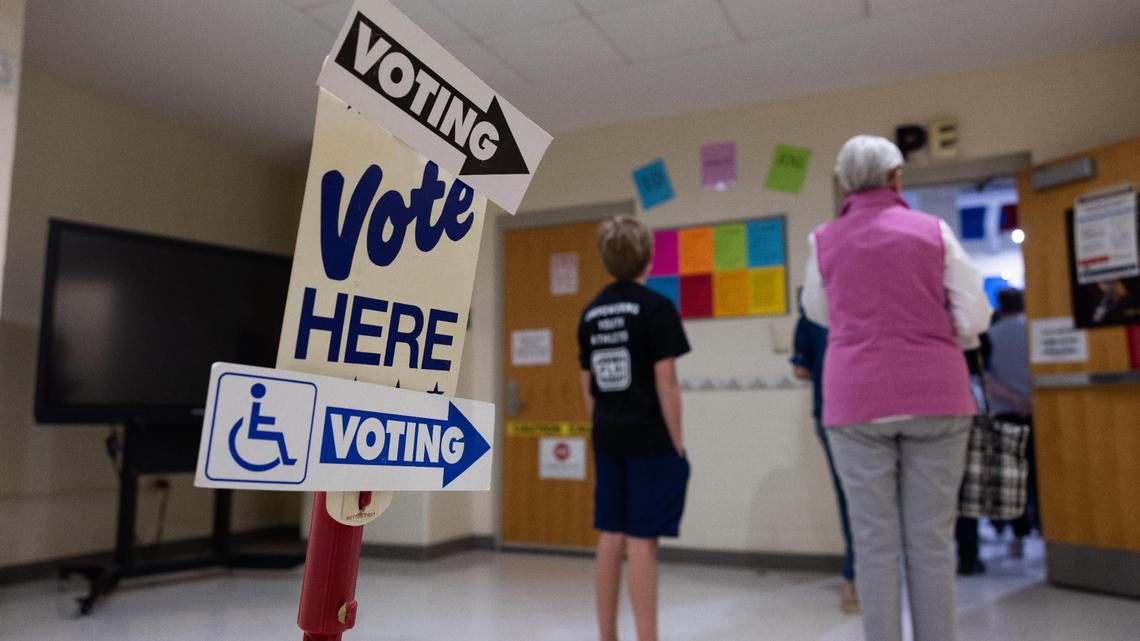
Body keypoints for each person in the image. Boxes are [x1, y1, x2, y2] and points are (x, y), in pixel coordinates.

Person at [801, 135, 991, 641]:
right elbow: (974, 312)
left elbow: (818, 312)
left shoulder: (822, 240)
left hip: (855, 403)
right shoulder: (933, 232)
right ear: (896, 177)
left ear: (844, 183)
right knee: (931, 543)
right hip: (937, 397)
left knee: (873, 545)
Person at [578, 215, 691, 641]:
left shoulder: (591, 313)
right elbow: (668, 382)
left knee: (610, 534)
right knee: (642, 540)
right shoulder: (656, 309)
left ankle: (606, 635)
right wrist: (676, 443)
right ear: (648, 257)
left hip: (608, 438)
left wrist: (603, 425)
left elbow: (587, 386)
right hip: (650, 440)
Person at [791, 297, 859, 613]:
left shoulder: (812, 309)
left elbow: (801, 369)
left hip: (831, 411)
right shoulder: (864, 300)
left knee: (849, 498)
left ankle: (855, 580)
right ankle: (873, 576)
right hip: (872, 409)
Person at [986, 288, 1038, 557]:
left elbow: (986, 379)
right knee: (1041, 476)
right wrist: (1027, 401)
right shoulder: (1032, 333)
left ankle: (1018, 534)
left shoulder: (990, 338)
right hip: (1037, 412)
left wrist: (1013, 399)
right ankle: (1046, 529)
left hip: (1005, 412)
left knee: (1012, 478)